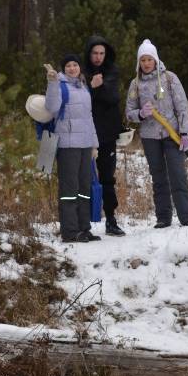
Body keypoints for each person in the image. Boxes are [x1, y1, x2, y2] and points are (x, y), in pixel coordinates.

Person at [125, 39, 188, 228]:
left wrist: (185, 132)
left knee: (177, 174)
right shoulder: (135, 84)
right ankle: (163, 218)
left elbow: (182, 107)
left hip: (172, 135)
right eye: (143, 60)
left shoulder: (170, 78)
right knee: (158, 177)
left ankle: (187, 217)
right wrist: (140, 114)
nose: (146, 63)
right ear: (138, 63)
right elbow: (129, 112)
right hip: (150, 138)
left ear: (156, 60)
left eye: (149, 59)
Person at [44, 54, 100, 243]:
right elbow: (51, 107)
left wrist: (94, 144)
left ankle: (84, 228)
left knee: (84, 187)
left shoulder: (83, 87)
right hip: (67, 145)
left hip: (85, 145)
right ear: (63, 69)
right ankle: (70, 231)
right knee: (69, 189)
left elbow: (89, 117)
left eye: (75, 64)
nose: (72, 68)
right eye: (68, 65)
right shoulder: (59, 85)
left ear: (79, 68)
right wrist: (52, 83)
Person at [83, 35, 125, 236]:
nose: (98, 57)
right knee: (83, 177)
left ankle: (111, 219)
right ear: (89, 53)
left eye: (101, 53)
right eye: (94, 53)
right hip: (85, 133)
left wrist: (99, 87)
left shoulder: (111, 71)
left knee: (107, 177)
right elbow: (80, 101)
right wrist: (92, 88)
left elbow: (114, 98)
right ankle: (83, 222)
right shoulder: (80, 72)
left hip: (107, 133)